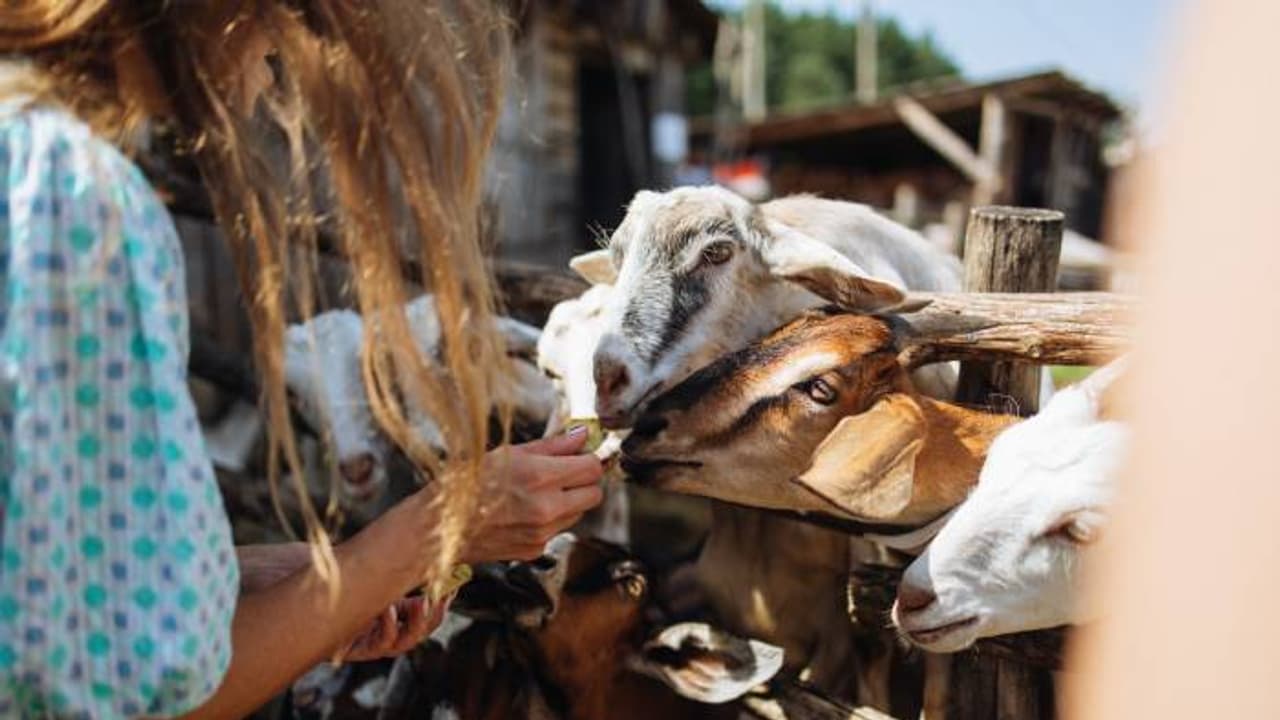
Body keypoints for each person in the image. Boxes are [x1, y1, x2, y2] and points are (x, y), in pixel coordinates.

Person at [0, 2, 604, 718]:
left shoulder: (23, 152)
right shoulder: (76, 202)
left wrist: (247, 580)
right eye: (285, 21)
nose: (275, 64)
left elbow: (46, 583)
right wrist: (436, 530)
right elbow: (147, 700)